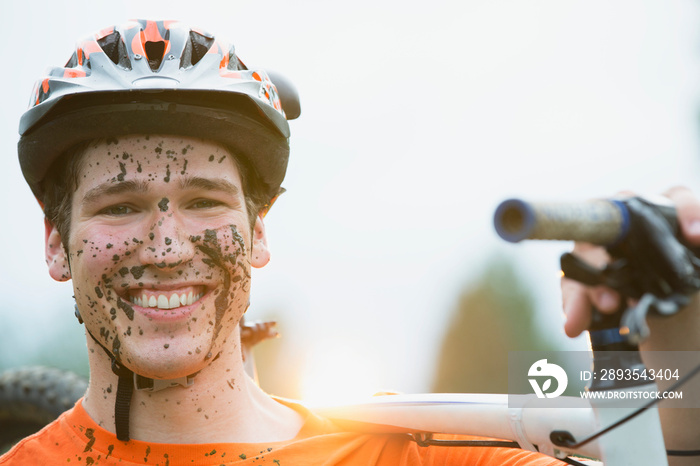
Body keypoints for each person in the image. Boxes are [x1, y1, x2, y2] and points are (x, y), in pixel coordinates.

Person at [0, 19, 696, 466]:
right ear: (56, 243)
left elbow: (668, 445)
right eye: (119, 206)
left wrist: (664, 316)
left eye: (204, 200)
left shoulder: (411, 456)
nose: (165, 243)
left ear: (259, 231)